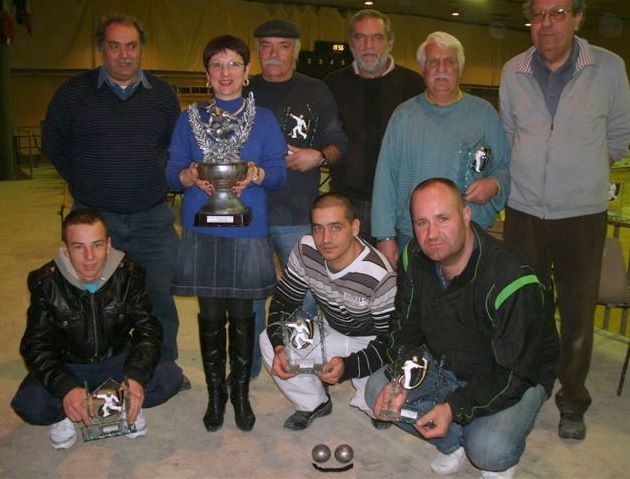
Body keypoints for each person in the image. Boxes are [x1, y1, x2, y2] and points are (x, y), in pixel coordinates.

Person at [366, 179, 558, 479]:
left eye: (443, 219)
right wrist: (400, 379)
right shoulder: (414, 257)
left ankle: (485, 444)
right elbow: (405, 329)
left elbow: (514, 371)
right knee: (379, 391)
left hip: (513, 373)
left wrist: (454, 408)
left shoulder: (512, 279)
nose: (431, 235)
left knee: (488, 449)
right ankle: (453, 442)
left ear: (466, 216)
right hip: (447, 360)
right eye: (421, 222)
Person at [499, 0, 630, 441]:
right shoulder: (512, 70)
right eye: (538, 14)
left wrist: (582, 173)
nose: (546, 23)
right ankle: (529, 388)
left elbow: (620, 134)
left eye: (557, 12)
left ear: (578, 18)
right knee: (527, 309)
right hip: (523, 211)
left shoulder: (609, 68)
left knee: (577, 313)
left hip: (581, 215)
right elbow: (507, 135)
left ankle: (572, 401)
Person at [42, 15, 184, 375]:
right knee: (92, 299)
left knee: (158, 298)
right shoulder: (73, 93)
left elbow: (174, 148)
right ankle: (99, 366)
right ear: (101, 48)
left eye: (131, 46)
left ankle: (163, 367)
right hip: (95, 219)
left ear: (141, 49)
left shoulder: (164, 96)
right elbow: (53, 143)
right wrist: (84, 178)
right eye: (115, 45)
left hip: (152, 218)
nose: (124, 55)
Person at [166, 35, 286, 433]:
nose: (226, 73)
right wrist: (187, 177)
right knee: (211, 315)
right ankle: (215, 395)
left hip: (248, 228)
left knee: (242, 315)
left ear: (247, 72)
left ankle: (240, 395)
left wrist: (256, 174)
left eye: (234, 64)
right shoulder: (189, 119)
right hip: (203, 228)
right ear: (206, 75)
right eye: (217, 65)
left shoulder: (265, 119)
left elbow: (280, 172)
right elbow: (172, 171)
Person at [11, 209, 183, 450]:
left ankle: (124, 402)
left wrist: (135, 376)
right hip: (69, 364)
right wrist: (65, 388)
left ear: (109, 244)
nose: (90, 257)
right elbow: (36, 346)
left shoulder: (129, 275)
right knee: (29, 404)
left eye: (97, 245)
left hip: (117, 361)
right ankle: (70, 411)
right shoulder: (46, 283)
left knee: (170, 377)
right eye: (79, 247)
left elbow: (149, 331)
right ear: (65, 248)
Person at [248, 18, 349, 378]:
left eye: (283, 46)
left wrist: (316, 156)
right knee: (252, 295)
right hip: (251, 215)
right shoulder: (243, 90)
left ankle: (301, 363)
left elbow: (340, 143)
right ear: (257, 50)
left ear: (295, 50)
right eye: (266, 46)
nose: (274, 54)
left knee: (301, 298)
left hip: (296, 214)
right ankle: (252, 368)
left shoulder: (315, 90)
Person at [371, 31, 509, 267]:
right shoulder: (403, 116)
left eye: (449, 62)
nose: (441, 68)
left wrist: (495, 185)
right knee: (415, 302)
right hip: (412, 236)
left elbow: (504, 167)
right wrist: (385, 236)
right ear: (423, 69)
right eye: (433, 62)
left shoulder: (484, 113)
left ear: (460, 68)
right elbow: (385, 179)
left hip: (469, 236)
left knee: (467, 304)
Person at [260, 193, 396, 430]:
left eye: (335, 228)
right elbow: (283, 303)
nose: (325, 239)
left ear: (354, 227)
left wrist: (349, 367)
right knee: (269, 341)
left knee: (379, 404)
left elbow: (391, 341)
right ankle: (313, 402)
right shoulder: (305, 250)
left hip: (372, 341)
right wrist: (281, 346)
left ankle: (369, 389)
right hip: (332, 330)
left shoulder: (379, 275)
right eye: (318, 229)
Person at [325, 9, 425, 242]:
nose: (368, 45)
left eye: (377, 38)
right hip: (346, 203)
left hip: (400, 204)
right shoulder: (333, 84)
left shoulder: (414, 85)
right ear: (350, 43)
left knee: (398, 274)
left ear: (390, 42)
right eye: (360, 37)